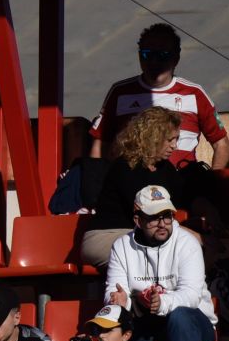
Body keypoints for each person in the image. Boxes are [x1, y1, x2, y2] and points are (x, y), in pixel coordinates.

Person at [104, 184, 217, 341]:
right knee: (109, 333)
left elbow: (191, 294)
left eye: (167, 215)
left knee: (180, 316)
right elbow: (113, 290)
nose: (163, 223)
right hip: (150, 328)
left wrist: (161, 302)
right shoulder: (122, 246)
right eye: (154, 218)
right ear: (138, 219)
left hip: (195, 327)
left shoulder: (187, 242)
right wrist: (121, 303)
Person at [91, 23, 229, 169]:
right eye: (147, 54)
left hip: (183, 184)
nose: (154, 61)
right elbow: (99, 145)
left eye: (162, 55)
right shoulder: (120, 92)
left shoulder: (195, 93)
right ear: (139, 55)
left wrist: (211, 183)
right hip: (131, 183)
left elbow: (221, 143)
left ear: (176, 57)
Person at [82, 108, 208, 268]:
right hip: (108, 237)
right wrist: (194, 237)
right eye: (170, 140)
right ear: (152, 138)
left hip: (145, 235)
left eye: (176, 139)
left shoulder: (164, 168)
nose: (174, 146)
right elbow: (150, 214)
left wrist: (208, 212)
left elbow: (185, 196)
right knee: (174, 250)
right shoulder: (125, 167)